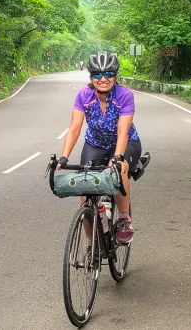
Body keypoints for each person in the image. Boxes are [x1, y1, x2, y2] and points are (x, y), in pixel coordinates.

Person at [58, 51, 142, 244]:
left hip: (126, 143)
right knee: (85, 191)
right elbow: (75, 128)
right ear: (91, 77)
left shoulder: (124, 95)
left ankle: (123, 219)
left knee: (119, 170)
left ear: (116, 76)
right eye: (97, 74)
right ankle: (92, 244)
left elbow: (123, 131)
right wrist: (63, 158)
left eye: (108, 74)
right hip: (95, 144)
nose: (103, 79)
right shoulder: (84, 95)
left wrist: (118, 157)